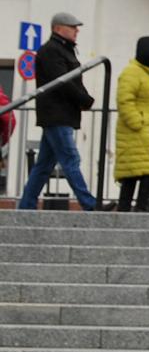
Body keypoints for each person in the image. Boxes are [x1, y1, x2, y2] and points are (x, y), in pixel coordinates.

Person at [18, 12, 100, 211]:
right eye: (72, 27)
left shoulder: (63, 50)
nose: (76, 30)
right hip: (57, 115)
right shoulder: (51, 51)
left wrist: (83, 99)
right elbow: (63, 82)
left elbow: (71, 81)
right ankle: (90, 205)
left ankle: (26, 206)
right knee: (71, 159)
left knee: (44, 166)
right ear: (58, 28)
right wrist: (84, 100)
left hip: (60, 115)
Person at [112, 35, 149, 213]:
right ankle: (140, 208)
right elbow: (124, 100)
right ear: (147, 52)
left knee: (134, 171)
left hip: (147, 130)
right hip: (136, 130)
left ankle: (126, 208)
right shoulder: (131, 73)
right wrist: (137, 122)